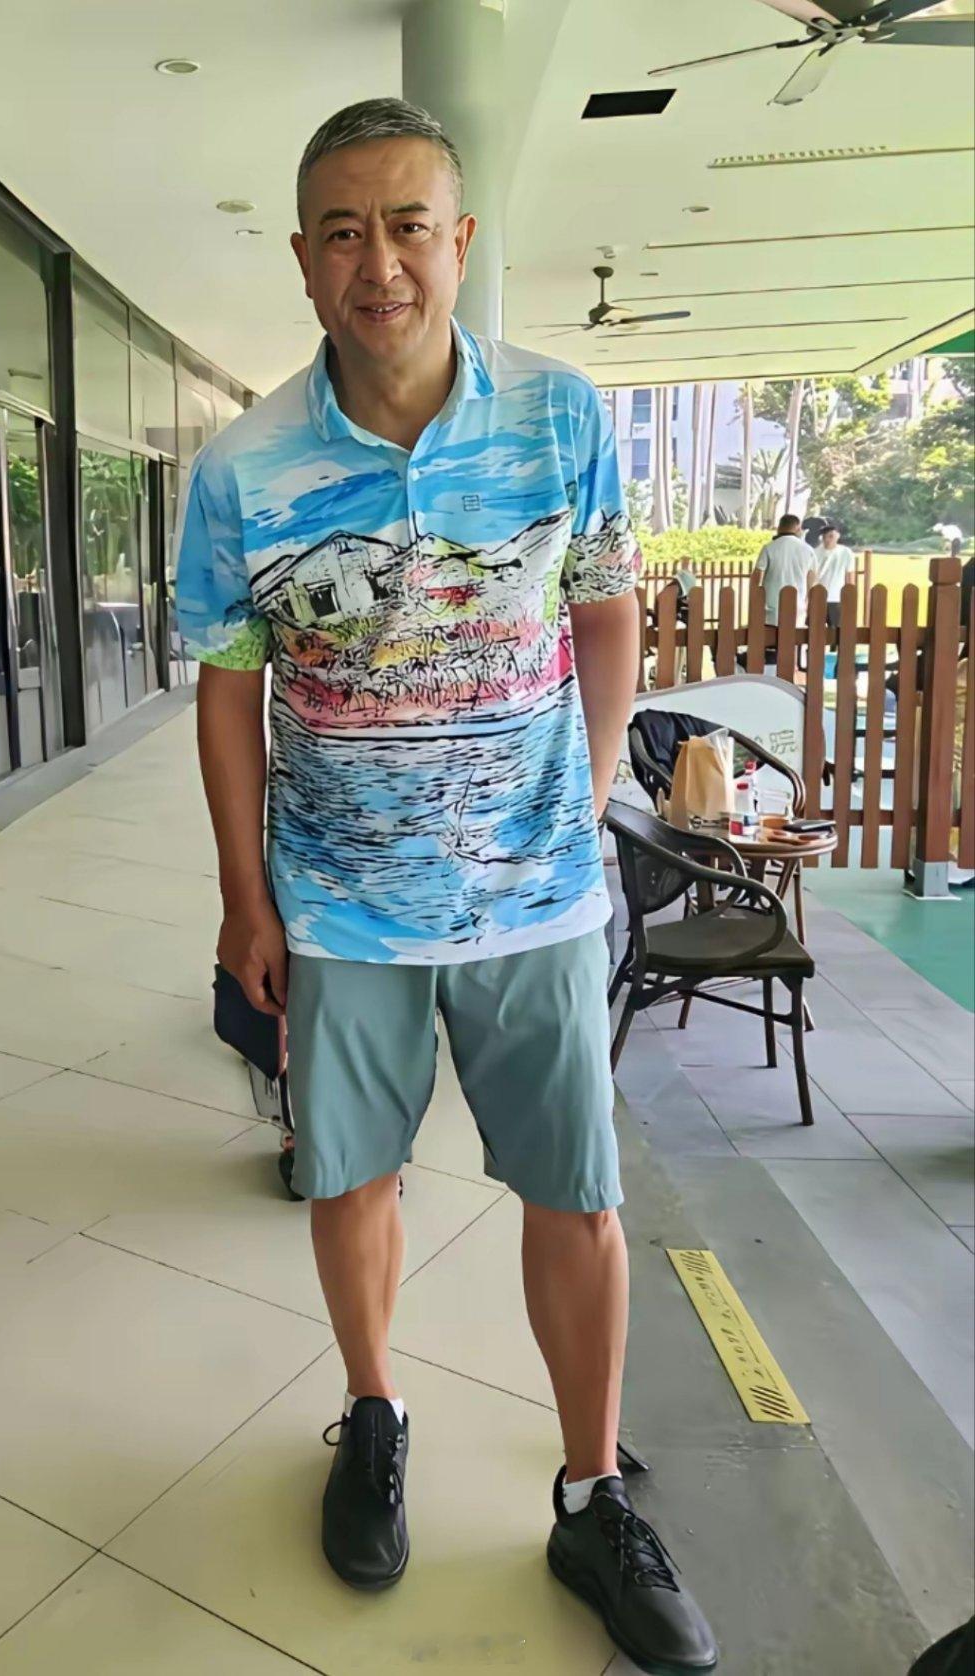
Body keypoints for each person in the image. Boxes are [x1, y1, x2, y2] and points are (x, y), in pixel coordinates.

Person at [177, 97, 717, 1674]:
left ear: (460, 242)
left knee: (578, 1193)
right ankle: (372, 1413)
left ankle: (592, 1494)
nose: (381, 264)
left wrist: (586, 793)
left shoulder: (559, 417)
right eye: (344, 233)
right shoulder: (245, 466)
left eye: (409, 226)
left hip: (535, 898)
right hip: (340, 902)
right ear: (303, 258)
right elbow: (228, 687)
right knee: (351, 1176)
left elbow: (606, 611)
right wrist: (244, 898)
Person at [752, 512, 816, 628]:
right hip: (797, 606)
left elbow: (757, 576)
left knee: (771, 637)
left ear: (779, 527)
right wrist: (808, 600)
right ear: (798, 528)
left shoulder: (769, 548)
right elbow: (811, 578)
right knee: (793, 637)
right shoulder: (808, 550)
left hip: (772, 608)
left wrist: (755, 599)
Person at [815, 523, 856, 629]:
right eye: (825, 536)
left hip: (836, 597)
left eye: (831, 536)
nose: (827, 539)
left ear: (838, 536)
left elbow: (849, 576)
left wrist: (849, 596)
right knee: (816, 628)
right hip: (818, 597)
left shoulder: (845, 553)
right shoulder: (815, 553)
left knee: (836, 629)